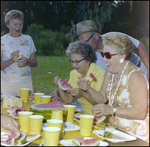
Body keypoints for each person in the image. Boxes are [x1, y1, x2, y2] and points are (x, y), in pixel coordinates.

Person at [77, 32, 149, 141]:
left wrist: (111, 109)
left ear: (122, 56)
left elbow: (140, 112)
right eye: (102, 55)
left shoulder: (135, 76)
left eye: (107, 55)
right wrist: (88, 89)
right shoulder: (110, 72)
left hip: (137, 136)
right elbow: (102, 97)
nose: (104, 59)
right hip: (116, 131)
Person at [76, 20, 149, 80]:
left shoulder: (114, 38)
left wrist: (148, 67)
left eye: (86, 41)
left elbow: (139, 46)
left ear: (95, 35)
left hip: (140, 72)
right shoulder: (90, 56)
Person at [52, 41, 106, 114]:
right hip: (86, 116)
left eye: (77, 61)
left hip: (102, 115)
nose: (74, 65)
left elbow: (102, 104)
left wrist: (83, 94)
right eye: (72, 61)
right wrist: (59, 86)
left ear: (88, 60)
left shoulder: (100, 73)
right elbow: (68, 100)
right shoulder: (74, 74)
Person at [1, 10, 38, 96]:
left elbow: (35, 62)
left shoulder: (28, 39)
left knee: (26, 108)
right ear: (8, 24)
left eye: (20, 24)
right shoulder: (2, 40)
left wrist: (27, 62)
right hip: (6, 85)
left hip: (26, 84)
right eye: (15, 24)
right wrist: (11, 60)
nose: (18, 27)